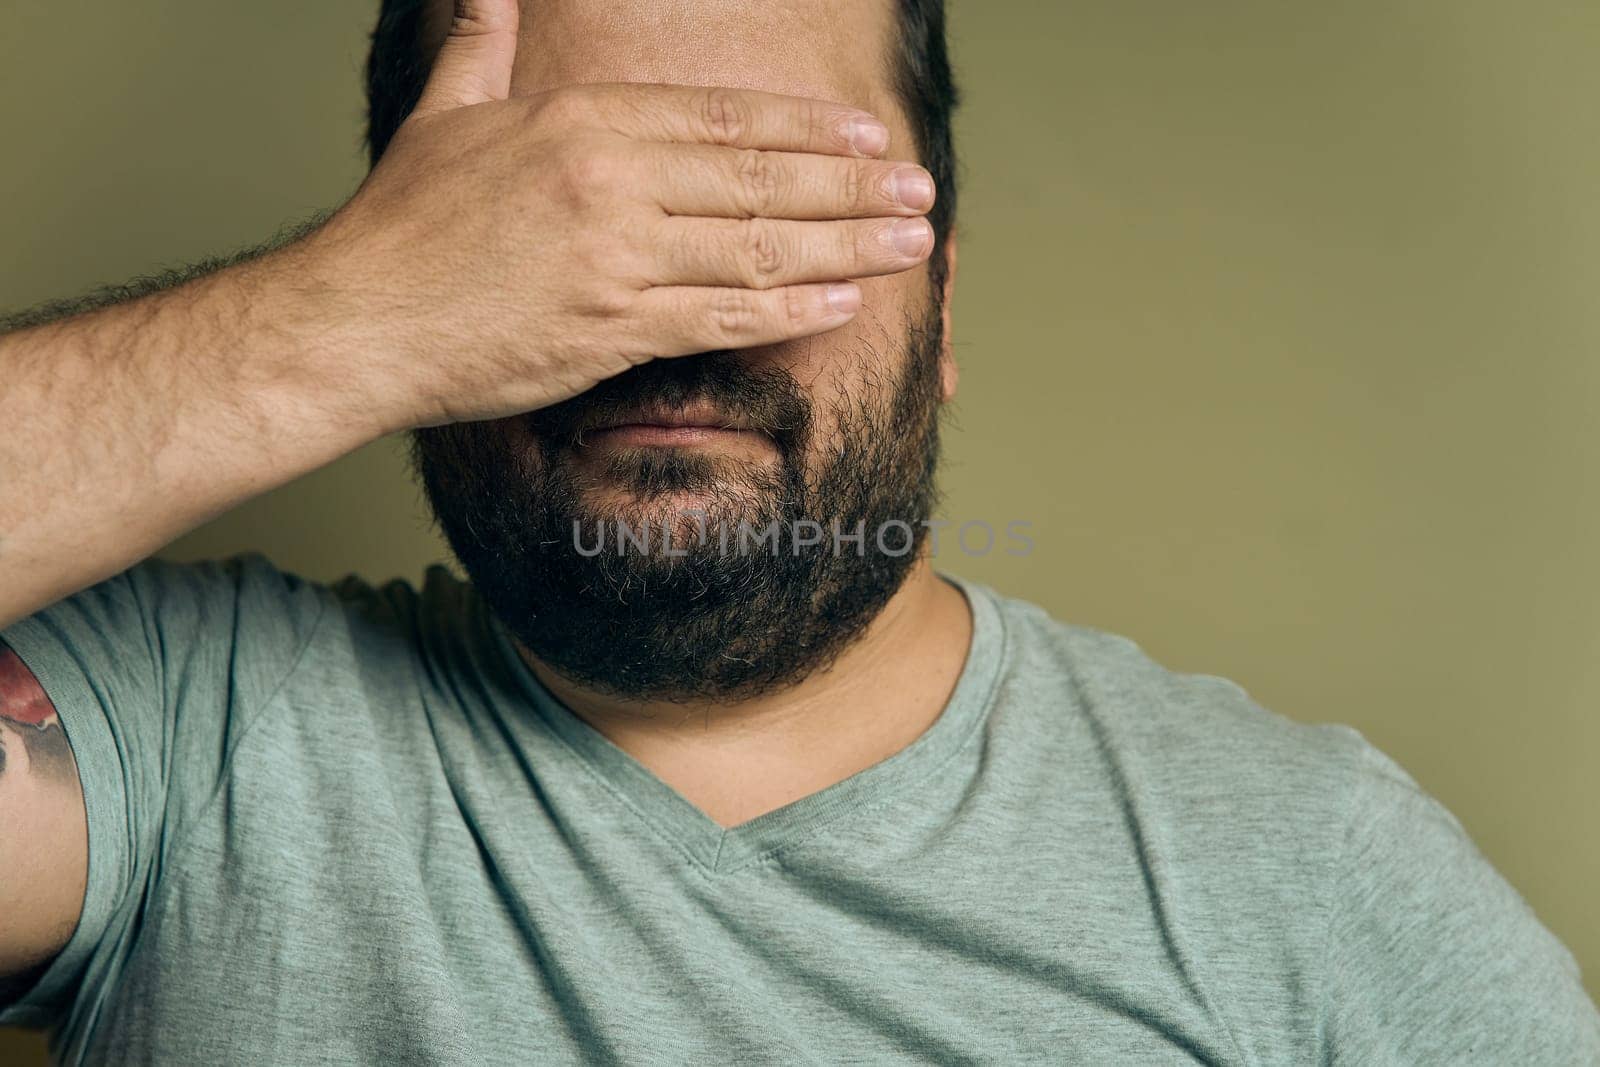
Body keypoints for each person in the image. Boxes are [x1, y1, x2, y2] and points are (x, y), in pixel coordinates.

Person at [0, 0, 1595, 1062]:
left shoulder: (1305, 874)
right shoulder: (171, 730)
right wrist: (333, 319)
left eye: (779, 205)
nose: (673, 312)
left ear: (943, 300)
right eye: (564, 215)